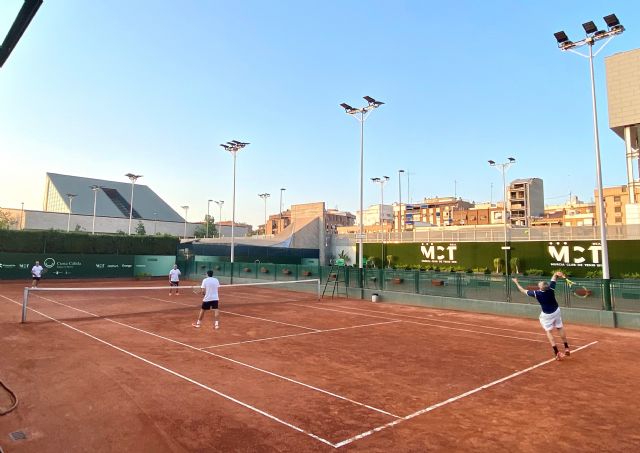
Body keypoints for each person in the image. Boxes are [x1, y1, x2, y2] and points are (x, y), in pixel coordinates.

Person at [512, 271, 571, 361]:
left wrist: (516, 282)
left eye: (540, 284)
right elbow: (554, 277)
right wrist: (558, 274)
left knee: (549, 332)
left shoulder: (537, 293)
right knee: (560, 327)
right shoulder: (551, 289)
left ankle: (557, 352)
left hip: (547, 315)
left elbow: (522, 290)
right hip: (556, 311)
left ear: (541, 287)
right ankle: (566, 347)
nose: (539, 283)